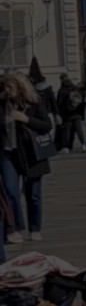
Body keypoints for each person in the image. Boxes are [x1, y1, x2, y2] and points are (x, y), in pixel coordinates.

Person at [1, 72, 53, 243]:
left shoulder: (34, 103)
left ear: (20, 87)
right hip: (9, 153)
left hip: (32, 154)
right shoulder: (2, 103)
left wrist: (26, 119)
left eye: (10, 87)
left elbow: (46, 125)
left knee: (33, 194)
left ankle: (35, 228)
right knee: (10, 191)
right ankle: (15, 228)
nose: (7, 90)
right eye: (5, 87)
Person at [56, 73, 86, 153]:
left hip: (67, 114)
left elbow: (59, 103)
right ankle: (84, 145)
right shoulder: (74, 88)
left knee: (67, 131)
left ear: (61, 80)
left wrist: (60, 113)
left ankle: (66, 147)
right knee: (79, 129)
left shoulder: (62, 90)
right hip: (77, 113)